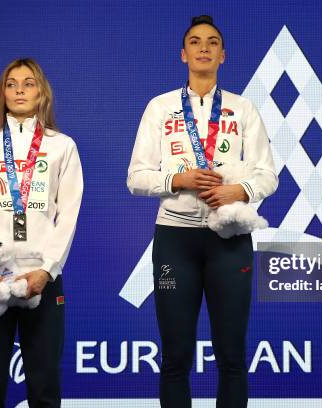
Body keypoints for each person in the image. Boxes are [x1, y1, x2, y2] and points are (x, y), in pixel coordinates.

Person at [127, 15, 277, 408]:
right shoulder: (160, 108)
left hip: (229, 238)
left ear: (223, 55)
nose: (204, 48)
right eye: (195, 42)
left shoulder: (243, 109)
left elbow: (268, 175)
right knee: (175, 356)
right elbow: (136, 176)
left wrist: (238, 190)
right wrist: (181, 180)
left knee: (231, 356)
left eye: (212, 42)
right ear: (183, 54)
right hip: (176, 240)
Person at [0, 58, 83, 407]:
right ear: (2, 93)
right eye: (12, 84)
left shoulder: (62, 146)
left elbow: (68, 215)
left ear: (42, 92)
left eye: (28, 83)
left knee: (44, 389)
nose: (20, 90)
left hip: (41, 276)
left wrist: (47, 270)